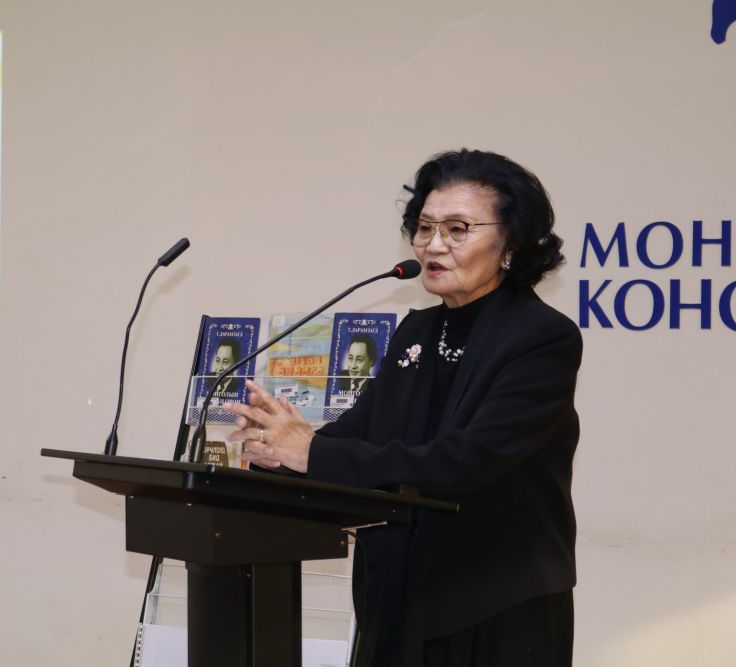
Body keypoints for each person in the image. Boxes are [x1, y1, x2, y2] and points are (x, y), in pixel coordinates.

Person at [226, 149, 581, 666]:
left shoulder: (542, 338)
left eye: (457, 229)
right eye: (424, 227)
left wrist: (313, 453)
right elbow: (361, 433)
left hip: (498, 602)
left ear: (512, 243)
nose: (433, 245)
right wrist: (277, 446)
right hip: (400, 595)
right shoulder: (418, 330)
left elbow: (464, 462)